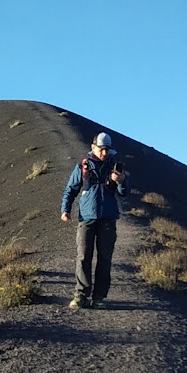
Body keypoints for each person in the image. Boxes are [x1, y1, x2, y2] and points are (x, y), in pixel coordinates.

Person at [60, 131, 129, 309]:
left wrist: (121, 181)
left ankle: (99, 298)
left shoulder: (115, 167)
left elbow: (124, 192)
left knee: (105, 259)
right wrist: (65, 210)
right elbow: (71, 189)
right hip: (86, 218)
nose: (104, 152)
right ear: (93, 148)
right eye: (101, 149)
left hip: (108, 219)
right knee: (83, 257)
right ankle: (81, 295)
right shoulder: (83, 166)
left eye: (107, 149)